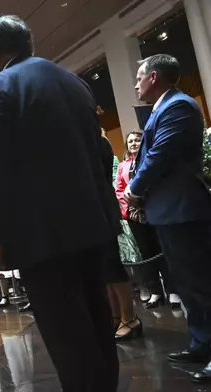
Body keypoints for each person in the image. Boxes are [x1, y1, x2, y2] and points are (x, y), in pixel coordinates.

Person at [0, 15, 120, 392]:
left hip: (42, 235)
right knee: (98, 321)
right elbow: (99, 154)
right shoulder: (73, 82)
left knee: (67, 333)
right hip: (92, 224)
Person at [124, 54, 211, 384]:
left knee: (203, 282)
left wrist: (134, 189)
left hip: (183, 208)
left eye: (139, 76)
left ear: (154, 77)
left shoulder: (178, 106)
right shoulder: (163, 106)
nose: (136, 83)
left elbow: (160, 155)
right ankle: (202, 342)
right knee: (187, 284)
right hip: (168, 209)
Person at [115, 130, 179, 309]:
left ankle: (173, 291)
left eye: (137, 140)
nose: (134, 143)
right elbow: (119, 189)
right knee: (146, 254)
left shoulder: (148, 161)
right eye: (130, 141)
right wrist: (128, 203)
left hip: (153, 210)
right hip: (134, 215)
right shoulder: (123, 166)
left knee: (162, 250)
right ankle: (155, 292)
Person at [100, 134, 142, 341]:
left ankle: (130, 317)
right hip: (91, 211)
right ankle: (115, 315)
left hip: (101, 209)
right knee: (103, 270)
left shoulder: (100, 141)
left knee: (113, 266)